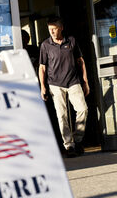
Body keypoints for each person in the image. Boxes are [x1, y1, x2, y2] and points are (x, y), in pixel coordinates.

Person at [39, 16, 89, 157]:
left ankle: (77, 139)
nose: (52, 32)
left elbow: (81, 61)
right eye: (50, 29)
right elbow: (42, 67)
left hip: (73, 82)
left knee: (83, 109)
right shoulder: (45, 45)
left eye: (55, 29)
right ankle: (69, 146)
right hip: (55, 84)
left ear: (61, 28)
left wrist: (85, 82)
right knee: (62, 115)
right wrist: (43, 86)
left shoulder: (71, 41)